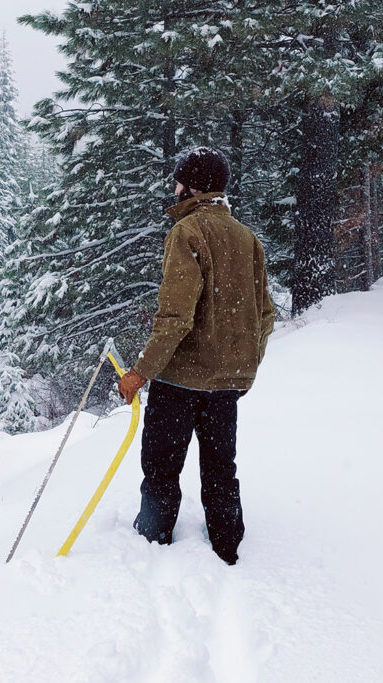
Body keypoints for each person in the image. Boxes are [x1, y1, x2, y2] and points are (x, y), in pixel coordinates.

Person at [117, 146, 275, 565]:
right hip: (227, 384)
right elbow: (266, 315)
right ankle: (227, 543)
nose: (174, 187)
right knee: (222, 468)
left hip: (180, 380)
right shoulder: (247, 239)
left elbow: (175, 317)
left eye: (179, 180)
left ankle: (153, 535)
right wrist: (244, 368)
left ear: (193, 185)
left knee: (161, 464)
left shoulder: (186, 232)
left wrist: (140, 373)